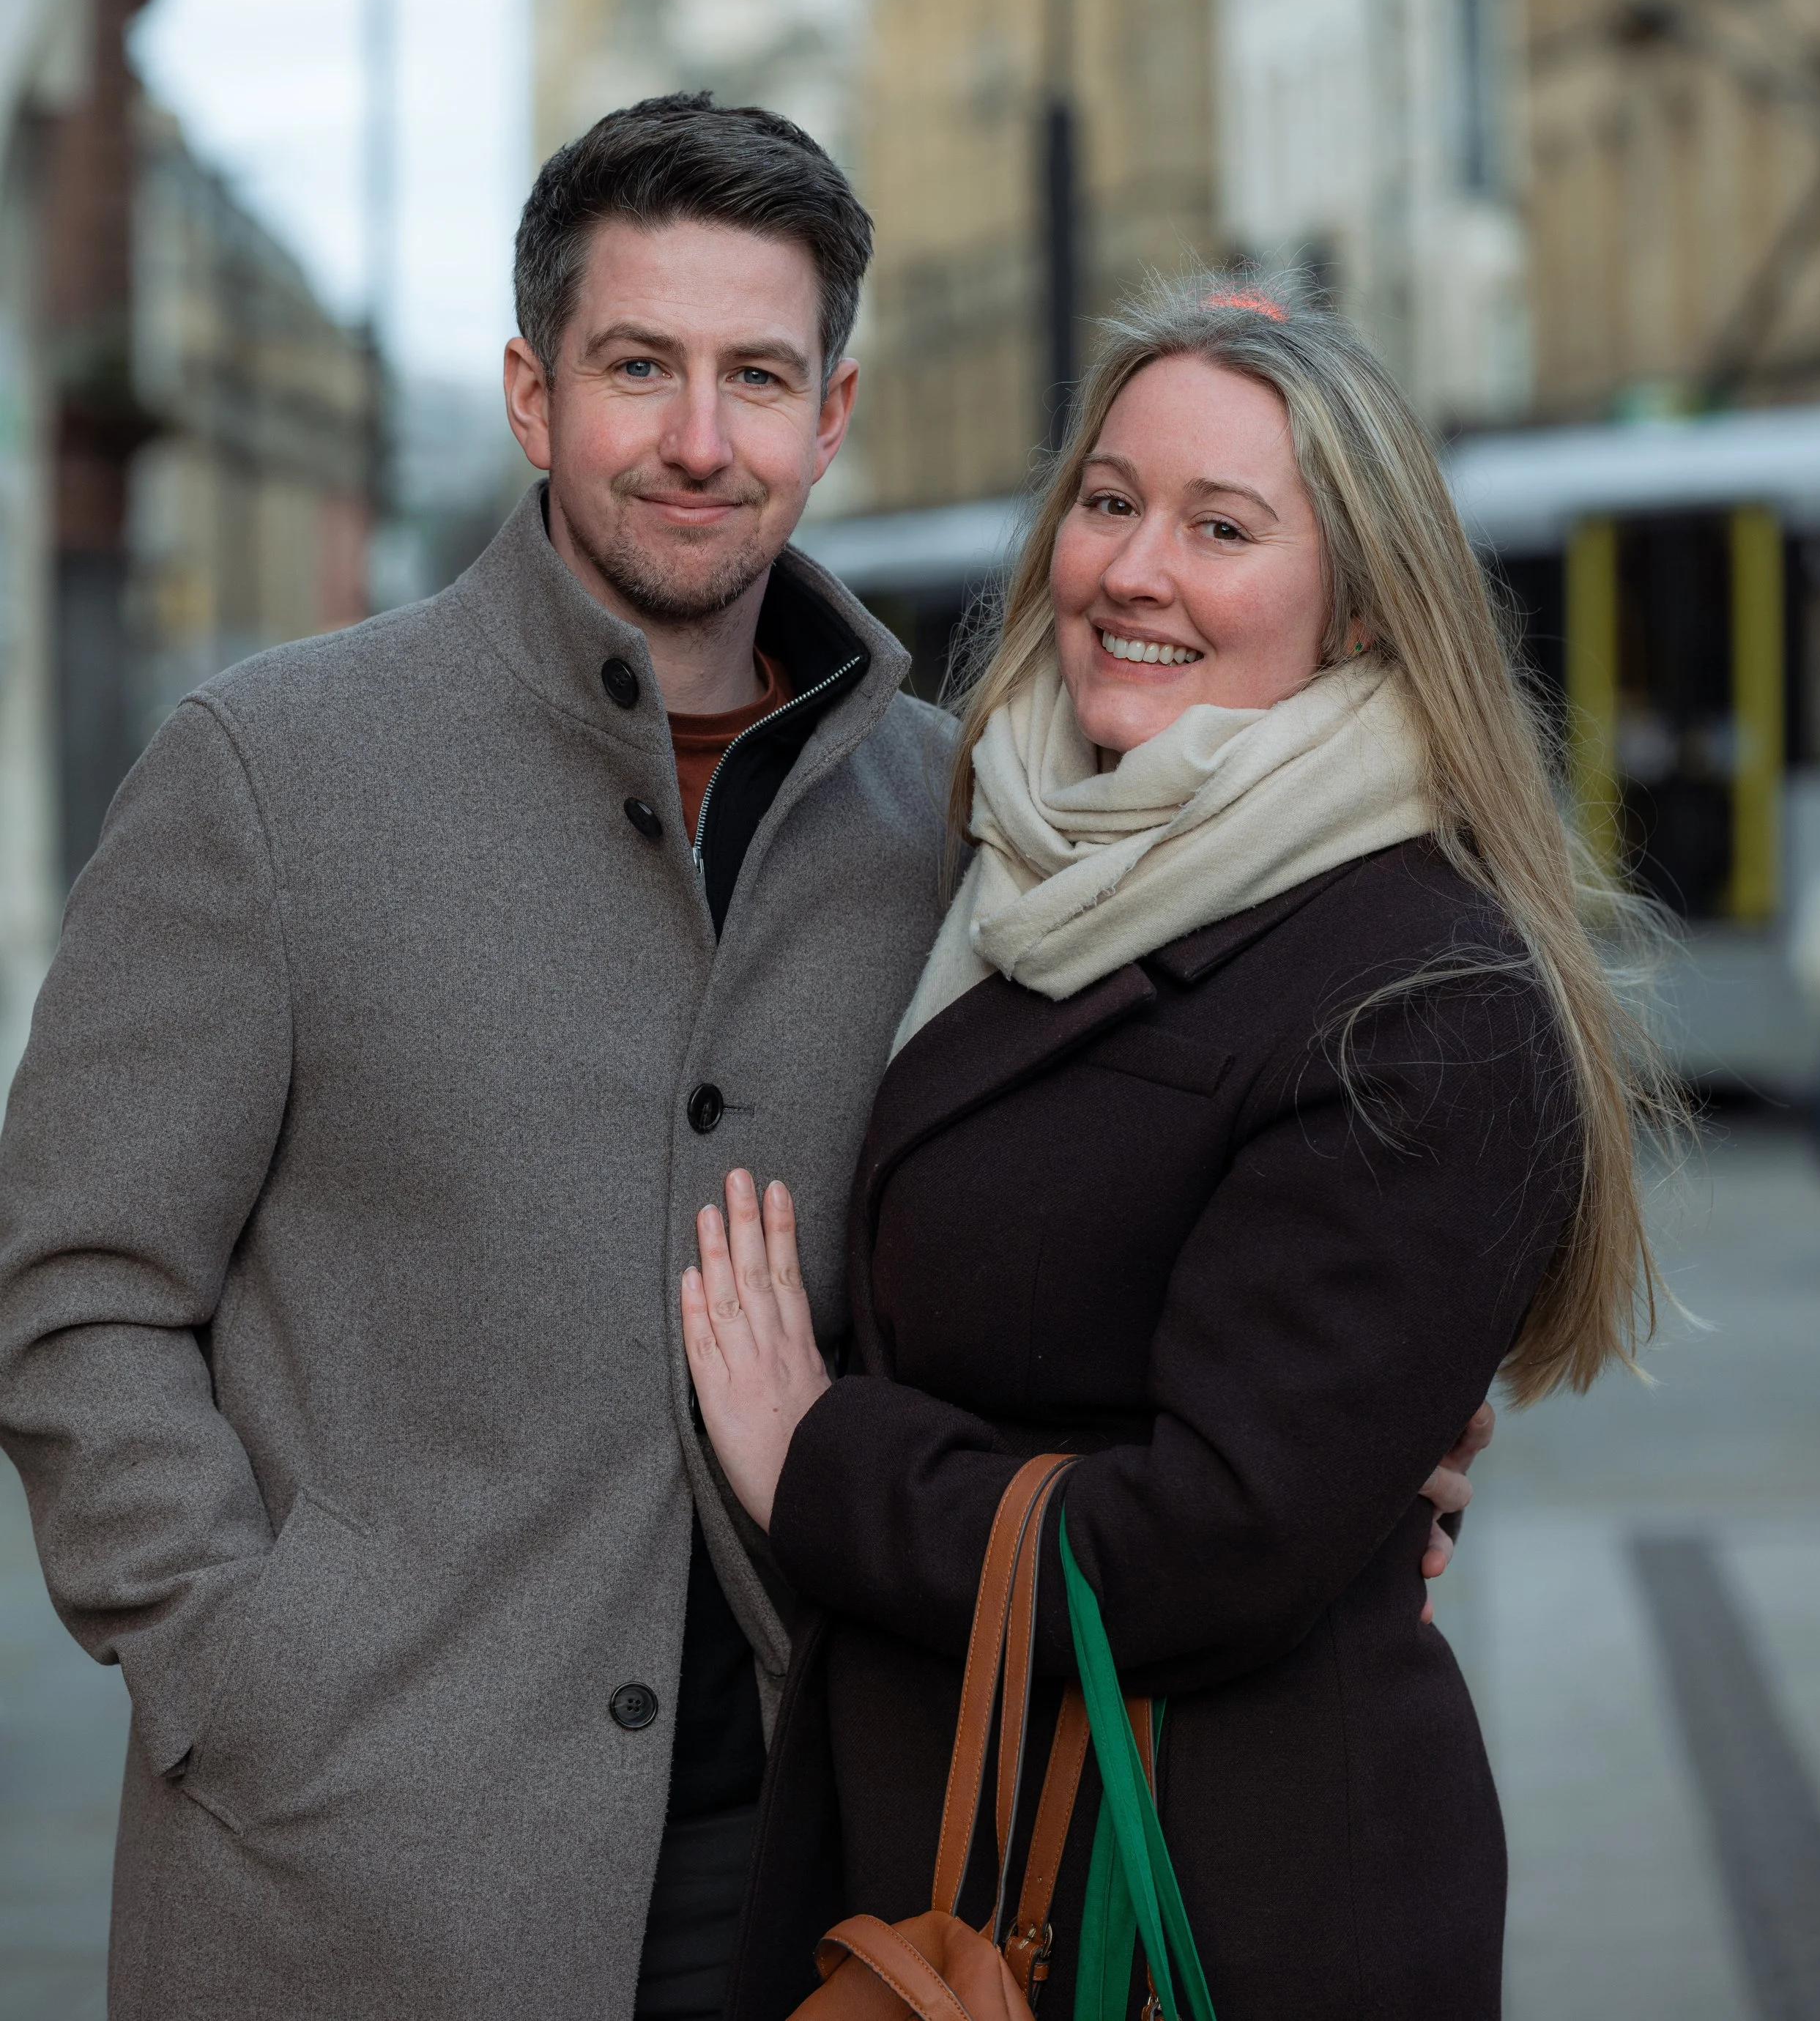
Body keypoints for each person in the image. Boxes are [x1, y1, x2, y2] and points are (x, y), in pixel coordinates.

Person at [0, 103, 1480, 2021]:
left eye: (756, 376)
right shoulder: (269, 773)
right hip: (350, 1881)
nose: (701, 439)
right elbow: (76, 1289)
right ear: (534, 395)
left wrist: (1378, 1424)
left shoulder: (964, 817)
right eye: (640, 367)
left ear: (831, 409)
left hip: (825, 1871)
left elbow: (1141, 1231)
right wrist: (236, 1668)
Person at [681, 281, 1668, 2021]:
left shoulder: (1418, 998)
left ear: (1360, 609)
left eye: (1221, 527)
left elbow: (1208, 1544)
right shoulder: (1017, 863)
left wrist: (814, 1453)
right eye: (1110, 499)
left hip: (1205, 1903)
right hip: (954, 1855)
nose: (1134, 569)